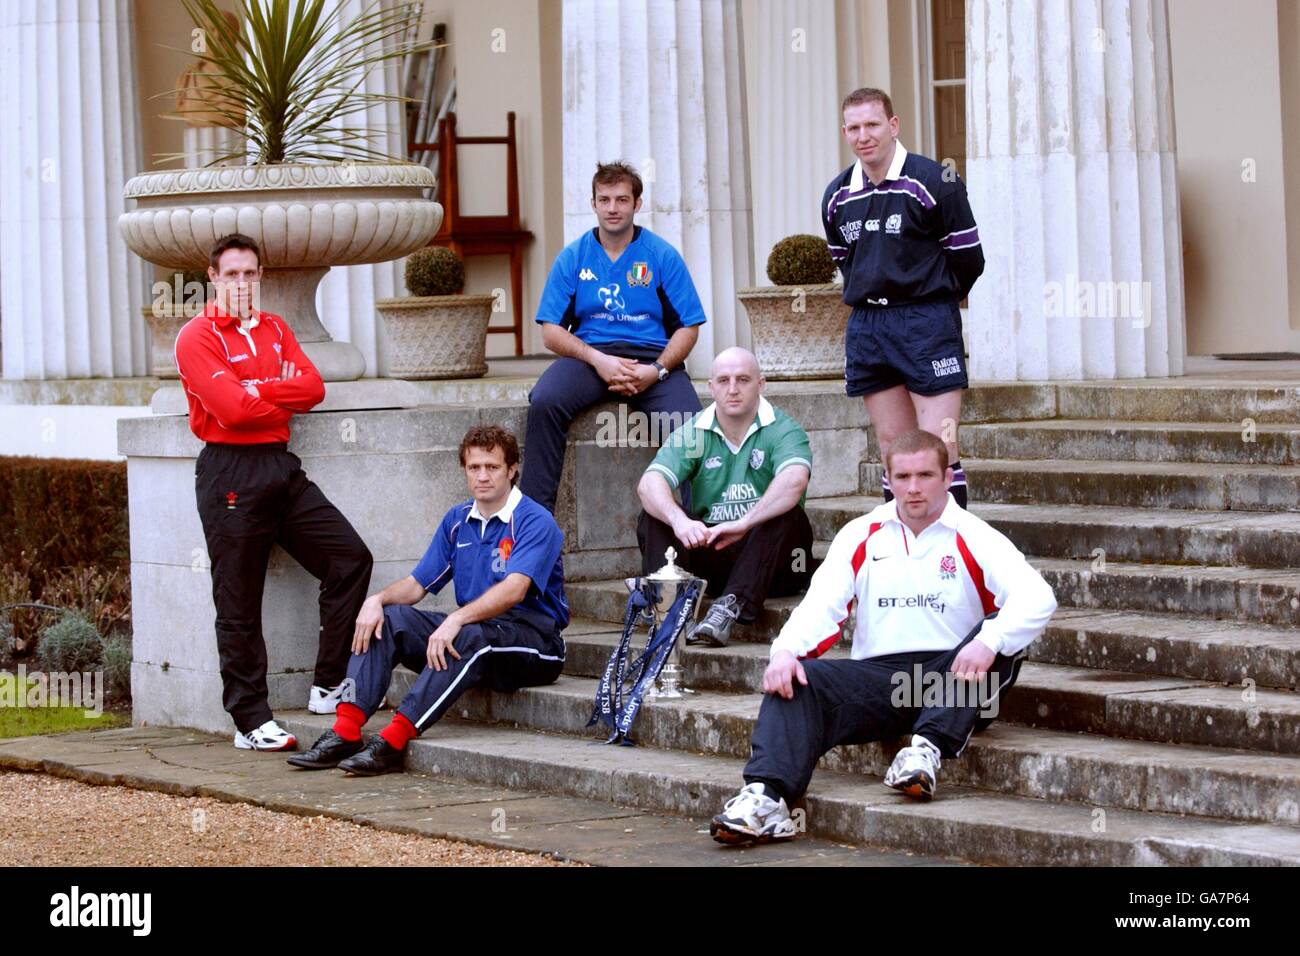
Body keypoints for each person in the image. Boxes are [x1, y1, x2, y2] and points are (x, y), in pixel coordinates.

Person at [710, 429, 1056, 846]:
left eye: (925, 475)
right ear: (887, 480)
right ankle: (766, 797)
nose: (913, 488)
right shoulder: (861, 532)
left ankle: (924, 751)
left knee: (1003, 638)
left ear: (947, 478)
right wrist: (784, 651)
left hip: (954, 676)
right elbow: (821, 605)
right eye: (903, 477)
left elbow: (1038, 597)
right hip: (883, 681)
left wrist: (990, 640)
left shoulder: (973, 532)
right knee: (797, 679)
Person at [174, 233, 373, 752]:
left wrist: (253, 388)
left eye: (250, 273)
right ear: (212, 278)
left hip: (281, 468)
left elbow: (312, 390)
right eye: (231, 274)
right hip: (230, 473)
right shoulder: (195, 337)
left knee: (350, 557)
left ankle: (328, 686)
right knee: (238, 600)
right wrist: (268, 394)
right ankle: (249, 720)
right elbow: (232, 412)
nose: (241, 282)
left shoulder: (277, 327)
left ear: (260, 277)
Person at [288, 425, 568, 776]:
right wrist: (377, 599)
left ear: (512, 470)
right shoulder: (457, 520)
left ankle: (393, 740)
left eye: (492, 467)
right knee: (390, 619)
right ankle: (345, 730)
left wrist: (456, 619)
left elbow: (515, 590)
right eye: (474, 467)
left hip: (534, 641)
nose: (483, 476)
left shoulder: (533, 520)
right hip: (476, 633)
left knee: (468, 635)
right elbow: (417, 585)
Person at [823, 87, 984, 508]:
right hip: (869, 327)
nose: (864, 135)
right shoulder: (837, 195)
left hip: (926, 322)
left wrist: (932, 298)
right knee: (893, 445)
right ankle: (903, 549)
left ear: (893, 126)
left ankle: (949, 551)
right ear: (845, 132)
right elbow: (848, 261)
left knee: (938, 444)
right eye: (854, 128)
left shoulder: (935, 182)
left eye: (873, 124)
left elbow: (968, 259)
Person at [521, 161, 707, 513]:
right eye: (604, 199)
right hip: (591, 357)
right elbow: (550, 332)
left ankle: (701, 533)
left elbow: (689, 327)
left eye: (621, 199)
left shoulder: (662, 255)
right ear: (592, 203)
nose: (612, 208)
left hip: (652, 361)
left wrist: (657, 370)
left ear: (637, 204)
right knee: (545, 402)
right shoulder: (573, 257)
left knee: (690, 429)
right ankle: (535, 530)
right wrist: (598, 361)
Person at [637, 347, 814, 647]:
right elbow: (648, 484)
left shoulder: (783, 429)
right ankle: (666, 606)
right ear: (711, 387)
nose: (733, 389)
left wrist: (745, 523)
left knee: (788, 513)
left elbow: (794, 480)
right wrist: (680, 521)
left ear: (761, 384)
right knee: (654, 514)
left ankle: (728, 607)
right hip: (716, 552)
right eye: (723, 380)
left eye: (743, 379)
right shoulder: (694, 432)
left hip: (775, 564)